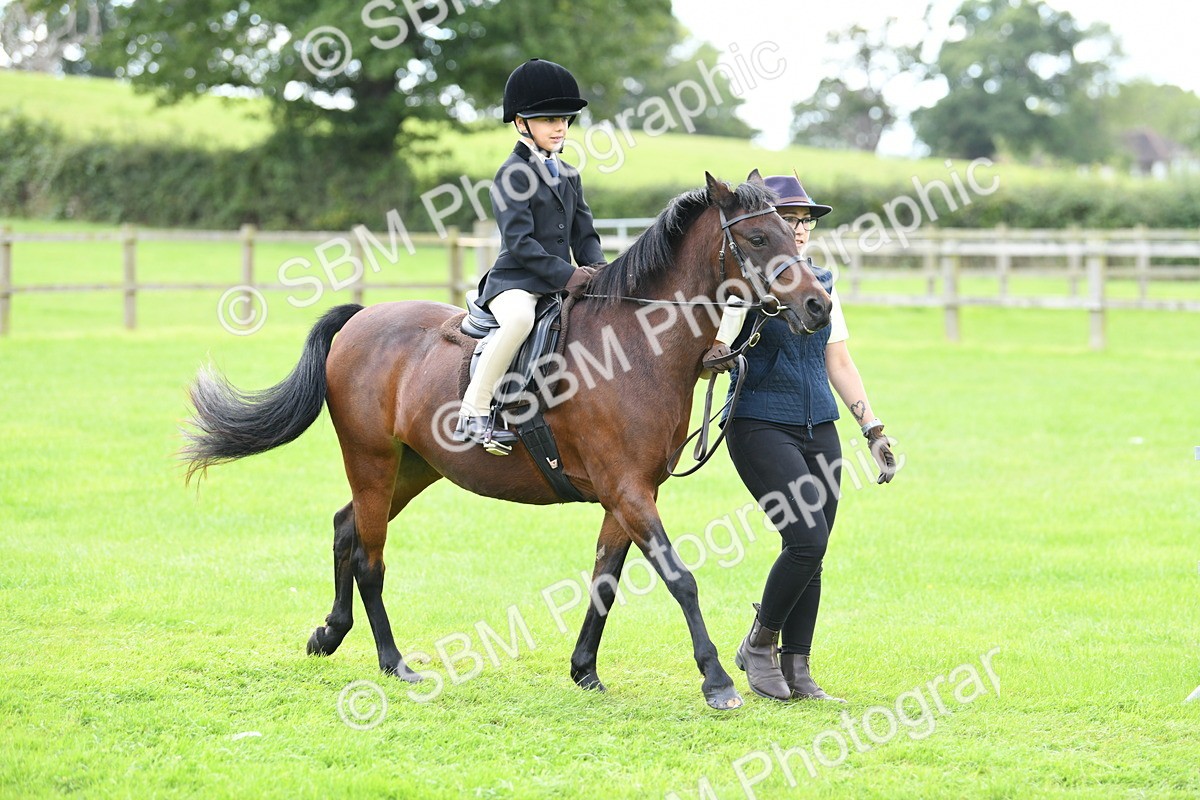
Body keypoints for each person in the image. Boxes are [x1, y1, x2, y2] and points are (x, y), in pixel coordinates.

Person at [704, 174, 898, 702]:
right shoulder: (743, 285)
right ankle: (759, 647)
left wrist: (871, 427)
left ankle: (799, 666)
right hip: (759, 424)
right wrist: (722, 345)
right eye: (790, 220)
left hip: (821, 427)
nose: (801, 228)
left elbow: (839, 359)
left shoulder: (823, 284)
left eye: (805, 221)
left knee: (815, 549)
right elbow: (717, 347)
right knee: (805, 539)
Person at [454, 58, 605, 454]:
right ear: (521, 122)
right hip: (516, 282)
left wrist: (602, 271)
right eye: (549, 119)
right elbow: (520, 243)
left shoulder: (570, 174)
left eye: (565, 120)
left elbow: (584, 234)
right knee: (519, 321)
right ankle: (474, 412)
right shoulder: (511, 174)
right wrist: (569, 276)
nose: (560, 128)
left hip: (557, 281)